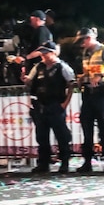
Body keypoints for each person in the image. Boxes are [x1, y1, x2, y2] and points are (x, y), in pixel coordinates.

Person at [23, 41, 75, 173]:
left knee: (61, 135)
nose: (43, 56)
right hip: (40, 105)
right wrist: (24, 78)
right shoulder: (38, 67)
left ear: (52, 53)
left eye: (46, 53)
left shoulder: (62, 67)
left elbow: (71, 84)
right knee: (41, 136)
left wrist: (65, 103)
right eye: (42, 53)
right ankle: (43, 163)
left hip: (56, 105)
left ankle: (64, 163)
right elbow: (30, 82)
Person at [76, 27, 104, 173]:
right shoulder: (86, 52)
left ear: (88, 38)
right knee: (86, 127)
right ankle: (87, 162)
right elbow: (88, 70)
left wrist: (101, 76)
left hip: (100, 93)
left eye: (82, 40)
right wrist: (82, 78)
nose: (81, 44)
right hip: (87, 93)